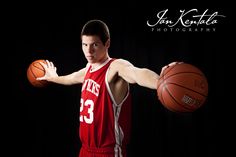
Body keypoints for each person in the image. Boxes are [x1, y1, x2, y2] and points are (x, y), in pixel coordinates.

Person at [37, 19, 174, 157]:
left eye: (94, 45)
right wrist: (53, 77)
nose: (88, 51)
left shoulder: (116, 67)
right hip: (85, 150)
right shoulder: (89, 69)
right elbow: (72, 78)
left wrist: (162, 81)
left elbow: (137, 74)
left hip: (109, 152)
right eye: (85, 45)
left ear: (107, 43)